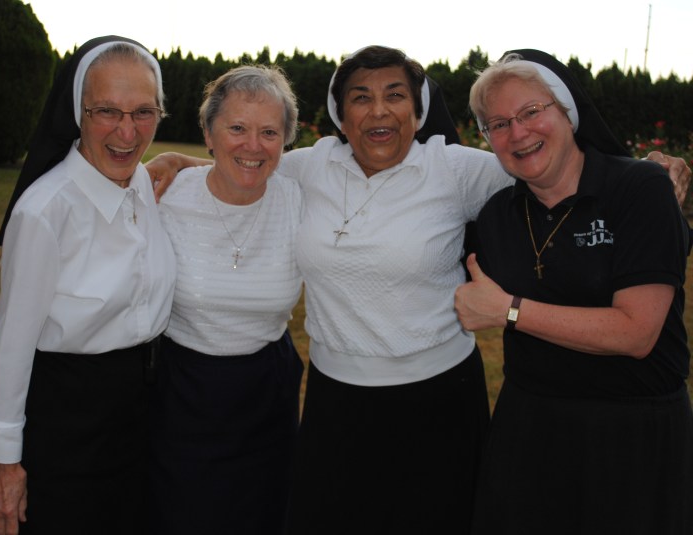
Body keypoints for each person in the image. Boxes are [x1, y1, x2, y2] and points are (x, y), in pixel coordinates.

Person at [146, 45, 690, 534]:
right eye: (361, 97)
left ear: (418, 109)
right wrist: (179, 163)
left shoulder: (453, 168)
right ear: (341, 114)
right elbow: (251, 163)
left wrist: (645, 171)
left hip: (439, 399)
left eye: (395, 96)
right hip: (338, 401)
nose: (378, 110)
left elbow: (556, 165)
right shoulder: (313, 166)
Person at [454, 49, 693, 534]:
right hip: (531, 430)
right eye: (497, 124)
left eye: (531, 112)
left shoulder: (638, 188)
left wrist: (510, 311)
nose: (517, 133)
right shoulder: (498, 215)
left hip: (632, 437)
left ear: (567, 112)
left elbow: (636, 333)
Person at [0, 36, 176, 535]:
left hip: (143, 411)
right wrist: (4, 465)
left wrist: (177, 161)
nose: (127, 130)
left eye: (143, 112)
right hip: (69, 417)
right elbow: (10, 346)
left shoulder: (141, 182)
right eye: (106, 111)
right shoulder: (45, 211)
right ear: (77, 112)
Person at [146, 65, 304, 535]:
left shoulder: (300, 196)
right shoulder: (164, 196)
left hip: (267, 394)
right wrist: (175, 160)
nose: (253, 145)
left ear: (285, 141)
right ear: (208, 133)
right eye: (237, 128)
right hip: (183, 393)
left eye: (268, 132)